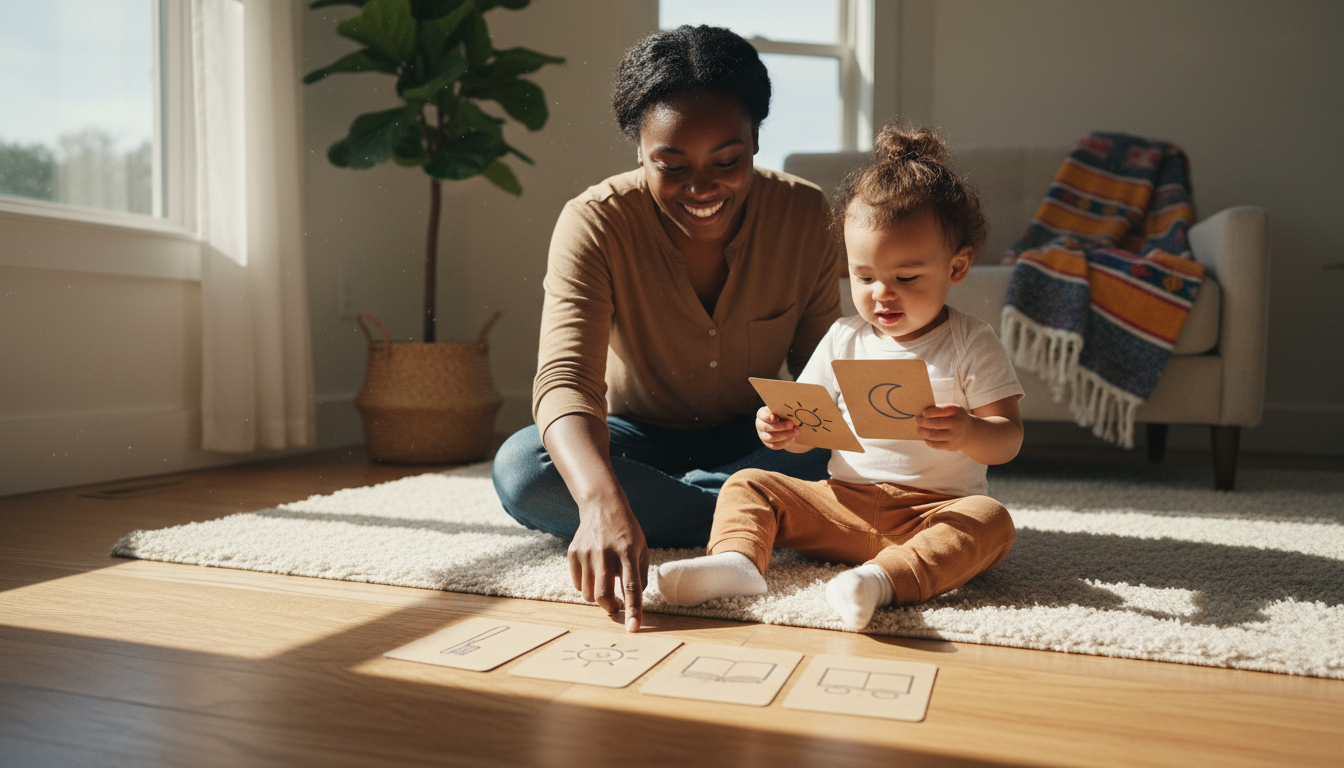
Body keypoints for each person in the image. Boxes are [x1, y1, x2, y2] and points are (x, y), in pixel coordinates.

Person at [491, 26, 844, 632]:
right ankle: (759, 511)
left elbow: (823, 367)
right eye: (671, 165)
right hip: (633, 438)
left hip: (759, 436)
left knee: (841, 452)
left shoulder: (805, 214)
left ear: (756, 140)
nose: (701, 188)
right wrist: (602, 500)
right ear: (639, 150)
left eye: (727, 162)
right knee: (525, 471)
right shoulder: (593, 223)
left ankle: (709, 503)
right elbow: (564, 379)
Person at [653, 124, 1025, 631]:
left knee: (991, 522)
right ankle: (737, 564)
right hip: (841, 504)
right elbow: (810, 429)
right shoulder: (843, 338)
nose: (881, 294)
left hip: (930, 514)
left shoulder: (970, 341)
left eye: (906, 278)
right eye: (864, 277)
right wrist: (783, 430)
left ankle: (881, 581)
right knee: (748, 483)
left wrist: (970, 432)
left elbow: (1008, 438)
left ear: (956, 267)